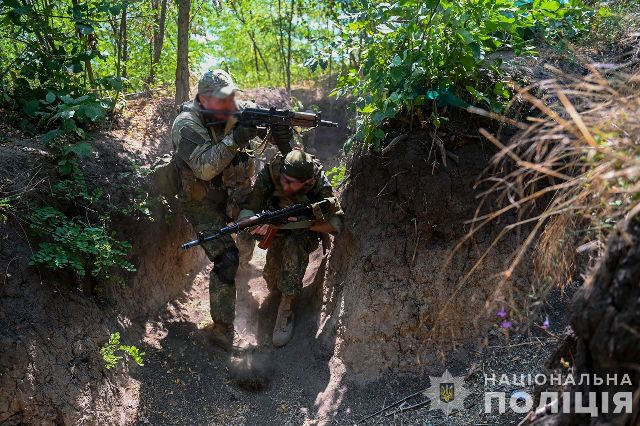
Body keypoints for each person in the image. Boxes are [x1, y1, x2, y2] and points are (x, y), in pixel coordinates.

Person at [170, 69, 292, 350]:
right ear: (204, 99)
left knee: (272, 222)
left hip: (235, 193)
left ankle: (264, 286)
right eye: (222, 99)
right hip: (202, 202)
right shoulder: (186, 124)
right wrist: (235, 138)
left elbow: (274, 142)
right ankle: (223, 330)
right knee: (227, 260)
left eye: (230, 96)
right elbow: (203, 169)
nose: (229, 103)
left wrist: (280, 134)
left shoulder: (236, 111)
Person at [238, 150, 344, 347]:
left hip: (306, 231)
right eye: (283, 180)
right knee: (272, 278)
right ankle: (247, 285)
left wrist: (303, 223)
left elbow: (336, 225)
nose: (284, 185)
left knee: (293, 249)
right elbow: (251, 206)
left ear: (307, 182)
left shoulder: (319, 183)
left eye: (291, 183)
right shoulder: (272, 172)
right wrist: (250, 223)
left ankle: (287, 307)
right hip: (276, 227)